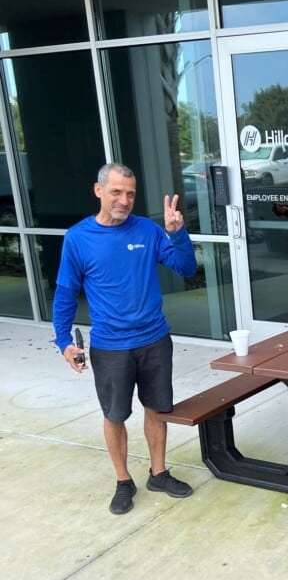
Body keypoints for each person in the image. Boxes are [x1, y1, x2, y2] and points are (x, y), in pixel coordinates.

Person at [52, 163, 198, 515]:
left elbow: (187, 269)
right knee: (114, 415)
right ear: (98, 190)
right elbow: (65, 293)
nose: (124, 200)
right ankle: (123, 480)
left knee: (157, 408)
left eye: (130, 193)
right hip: (110, 346)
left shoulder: (147, 230)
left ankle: (158, 473)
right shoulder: (78, 238)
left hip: (154, 340)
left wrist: (177, 233)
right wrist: (63, 341)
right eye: (116, 192)